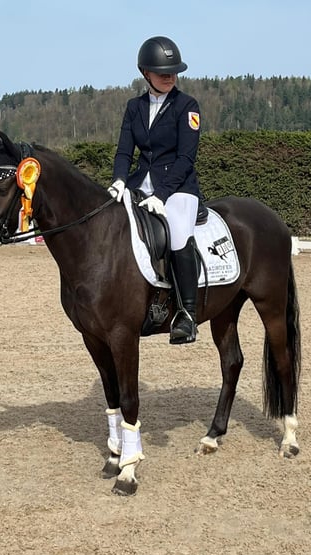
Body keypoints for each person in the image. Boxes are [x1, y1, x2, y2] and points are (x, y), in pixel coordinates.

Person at [107, 35, 203, 345]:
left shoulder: (187, 106)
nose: (169, 77)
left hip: (178, 188)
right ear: (145, 73)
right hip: (138, 185)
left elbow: (186, 158)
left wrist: (161, 196)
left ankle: (187, 315)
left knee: (176, 232)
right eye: (162, 73)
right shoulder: (134, 107)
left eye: (173, 72)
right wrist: (120, 180)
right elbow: (124, 152)